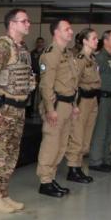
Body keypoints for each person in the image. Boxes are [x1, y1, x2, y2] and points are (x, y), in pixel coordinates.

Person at [0, 9, 35, 213]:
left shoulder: (22, 48)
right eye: (24, 21)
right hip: (4, 109)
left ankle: (3, 193)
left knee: (11, 152)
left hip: (19, 109)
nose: (28, 24)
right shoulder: (2, 46)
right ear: (12, 24)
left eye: (28, 21)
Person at [35, 19, 78, 198]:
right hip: (56, 105)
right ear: (56, 32)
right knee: (51, 144)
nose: (71, 32)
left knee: (61, 145)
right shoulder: (51, 54)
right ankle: (45, 181)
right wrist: (50, 109)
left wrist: (74, 105)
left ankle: (51, 178)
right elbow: (46, 85)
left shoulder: (67, 53)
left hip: (67, 104)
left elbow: (72, 82)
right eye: (67, 29)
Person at [64, 28, 100, 184]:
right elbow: (73, 83)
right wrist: (74, 104)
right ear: (85, 41)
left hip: (93, 100)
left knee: (86, 136)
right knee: (77, 135)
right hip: (82, 101)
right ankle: (72, 168)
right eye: (94, 38)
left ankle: (78, 166)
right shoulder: (79, 59)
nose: (97, 41)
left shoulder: (92, 59)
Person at [88, 30, 111, 172]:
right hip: (103, 97)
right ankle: (95, 161)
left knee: (109, 129)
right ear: (105, 41)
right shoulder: (99, 57)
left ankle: (106, 159)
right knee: (100, 130)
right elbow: (94, 77)